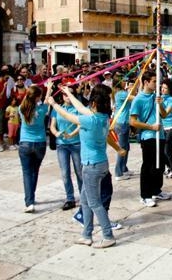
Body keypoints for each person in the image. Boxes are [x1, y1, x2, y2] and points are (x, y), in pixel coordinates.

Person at [48, 83, 126, 248]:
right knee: (85, 200)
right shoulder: (102, 117)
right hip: (98, 163)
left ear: (95, 104)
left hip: (92, 165)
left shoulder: (90, 120)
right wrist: (69, 94)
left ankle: (108, 235)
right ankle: (86, 234)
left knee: (94, 203)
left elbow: (72, 117)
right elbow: (82, 108)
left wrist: (54, 104)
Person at [129, 70, 171, 208]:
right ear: (146, 82)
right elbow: (133, 121)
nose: (156, 84)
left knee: (160, 165)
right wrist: (150, 127)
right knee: (148, 166)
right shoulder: (138, 99)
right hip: (148, 136)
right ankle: (145, 195)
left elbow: (164, 115)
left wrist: (160, 104)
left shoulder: (156, 97)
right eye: (154, 81)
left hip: (161, 135)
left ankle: (156, 190)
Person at [18, 85, 52, 213]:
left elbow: (28, 99)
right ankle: (31, 196)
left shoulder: (22, 109)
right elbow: (47, 100)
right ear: (37, 97)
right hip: (40, 143)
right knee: (34, 171)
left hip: (25, 143)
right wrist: (49, 88)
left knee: (27, 173)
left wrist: (30, 91)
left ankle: (29, 201)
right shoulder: (42, 109)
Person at [49, 86, 82, 211]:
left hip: (76, 143)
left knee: (79, 171)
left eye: (70, 94)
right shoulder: (57, 109)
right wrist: (56, 133)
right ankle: (70, 198)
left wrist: (72, 134)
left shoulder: (77, 109)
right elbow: (52, 125)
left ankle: (83, 196)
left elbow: (81, 123)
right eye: (65, 94)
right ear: (62, 96)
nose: (68, 97)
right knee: (65, 172)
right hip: (62, 144)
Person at [112, 74, 133, 181]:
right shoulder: (121, 94)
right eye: (123, 81)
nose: (125, 82)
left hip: (123, 122)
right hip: (122, 123)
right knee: (122, 148)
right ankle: (118, 172)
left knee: (126, 147)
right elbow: (135, 98)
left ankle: (124, 168)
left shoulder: (121, 93)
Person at [159, 78, 172, 179]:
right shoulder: (160, 97)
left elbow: (165, 114)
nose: (163, 89)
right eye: (162, 87)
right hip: (163, 128)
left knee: (167, 150)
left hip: (171, 127)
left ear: (170, 90)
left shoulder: (171, 99)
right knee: (163, 150)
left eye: (165, 88)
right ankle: (168, 167)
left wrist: (160, 103)